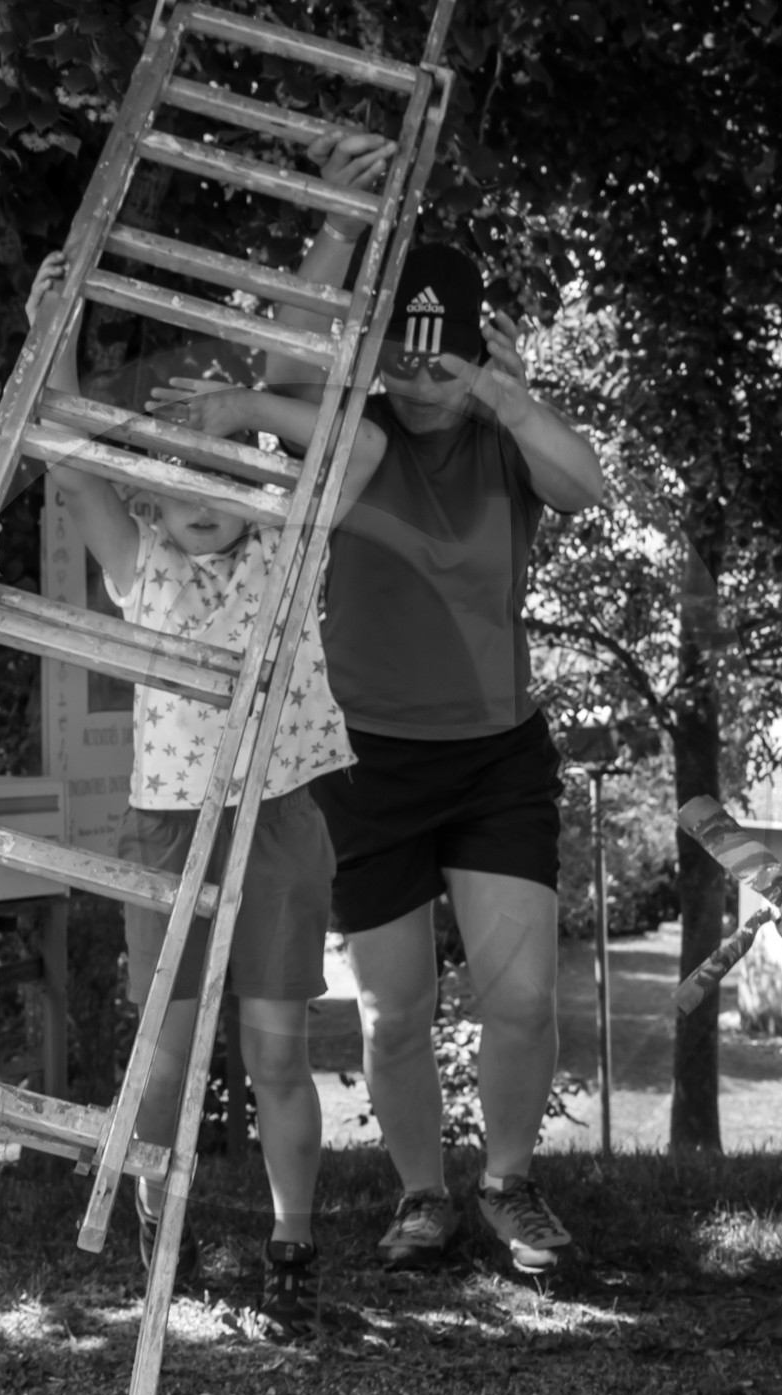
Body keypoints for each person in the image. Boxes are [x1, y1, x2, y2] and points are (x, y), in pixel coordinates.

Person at [265, 133, 608, 1276]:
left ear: (478, 359)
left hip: (495, 756)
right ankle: (422, 1195)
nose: (419, 387)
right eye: (400, 366)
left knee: (521, 999)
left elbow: (589, 486)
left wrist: (504, 393)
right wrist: (338, 223)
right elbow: (276, 378)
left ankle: (508, 1182)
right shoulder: (349, 434)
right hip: (365, 759)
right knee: (394, 1009)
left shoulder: (505, 438)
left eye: (442, 368)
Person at [28, 251, 385, 1339]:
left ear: (255, 483)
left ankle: (292, 1244)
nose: (202, 496)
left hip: (274, 825)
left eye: (224, 469)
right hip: (171, 830)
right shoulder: (137, 562)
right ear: (150, 492)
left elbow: (365, 446)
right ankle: (158, 1222)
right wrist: (54, 327)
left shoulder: (290, 552)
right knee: (166, 1057)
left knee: (275, 1051)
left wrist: (246, 408)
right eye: (181, 475)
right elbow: (62, 450)